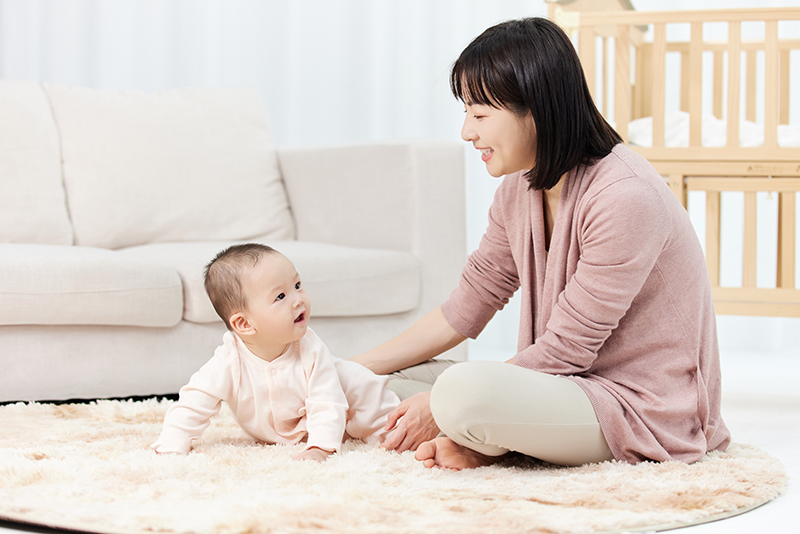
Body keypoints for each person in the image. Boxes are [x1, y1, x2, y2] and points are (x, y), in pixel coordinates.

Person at [352, 17, 730, 470]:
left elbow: (566, 350)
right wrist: (350, 371)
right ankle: (479, 438)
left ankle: (477, 434)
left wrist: (438, 406)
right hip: (556, 389)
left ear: (534, 109)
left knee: (458, 393)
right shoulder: (519, 190)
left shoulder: (625, 197)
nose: (466, 132)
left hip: (636, 409)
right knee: (394, 384)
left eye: (479, 114)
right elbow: (468, 305)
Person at [152, 244, 400, 461]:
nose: (298, 300)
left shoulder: (311, 349)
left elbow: (327, 401)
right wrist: (172, 443)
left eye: (297, 285)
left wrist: (320, 448)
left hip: (360, 402)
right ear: (244, 324)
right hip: (306, 428)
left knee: (390, 430)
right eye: (281, 296)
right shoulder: (228, 361)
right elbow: (194, 402)